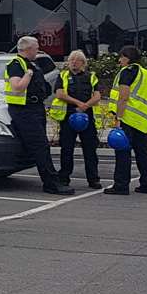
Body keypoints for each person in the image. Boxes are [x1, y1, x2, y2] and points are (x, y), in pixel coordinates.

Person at [4, 35, 73, 195]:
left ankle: (52, 180)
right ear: (27, 49)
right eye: (36, 48)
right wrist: (28, 74)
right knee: (40, 146)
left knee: (41, 146)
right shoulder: (16, 65)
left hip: (35, 108)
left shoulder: (31, 64)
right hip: (24, 111)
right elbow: (17, 87)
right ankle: (51, 184)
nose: (38, 50)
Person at [105, 44, 147, 195]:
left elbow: (123, 97)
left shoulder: (127, 72)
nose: (119, 60)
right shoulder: (146, 74)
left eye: (121, 57)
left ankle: (121, 185)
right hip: (143, 121)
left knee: (122, 152)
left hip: (128, 118)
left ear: (127, 58)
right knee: (143, 153)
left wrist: (118, 117)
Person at [50, 49, 102, 190]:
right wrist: (78, 103)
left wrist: (86, 106)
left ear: (83, 63)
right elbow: (60, 94)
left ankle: (93, 179)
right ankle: (64, 178)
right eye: (71, 60)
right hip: (68, 116)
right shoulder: (63, 76)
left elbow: (97, 96)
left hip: (87, 117)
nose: (73, 63)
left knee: (90, 150)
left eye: (77, 60)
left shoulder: (91, 77)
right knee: (67, 149)